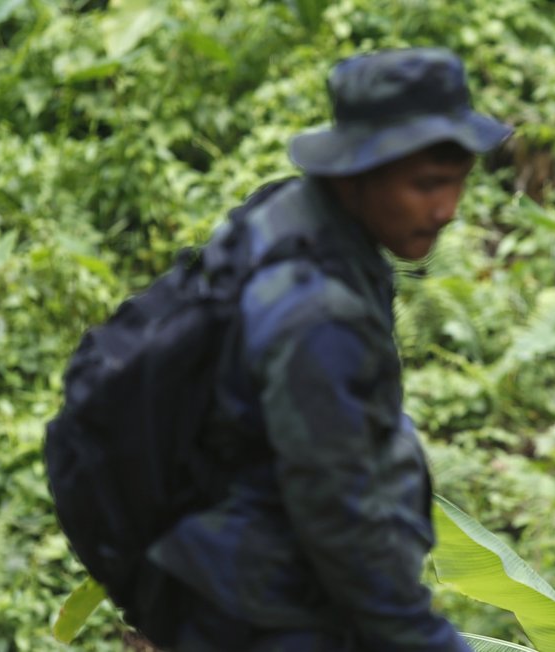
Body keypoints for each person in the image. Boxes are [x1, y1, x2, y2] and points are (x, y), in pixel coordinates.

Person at [142, 48, 513, 651]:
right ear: (355, 174)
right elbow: (335, 514)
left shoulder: (287, 217)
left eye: (456, 182)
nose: (445, 210)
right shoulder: (316, 314)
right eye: (424, 186)